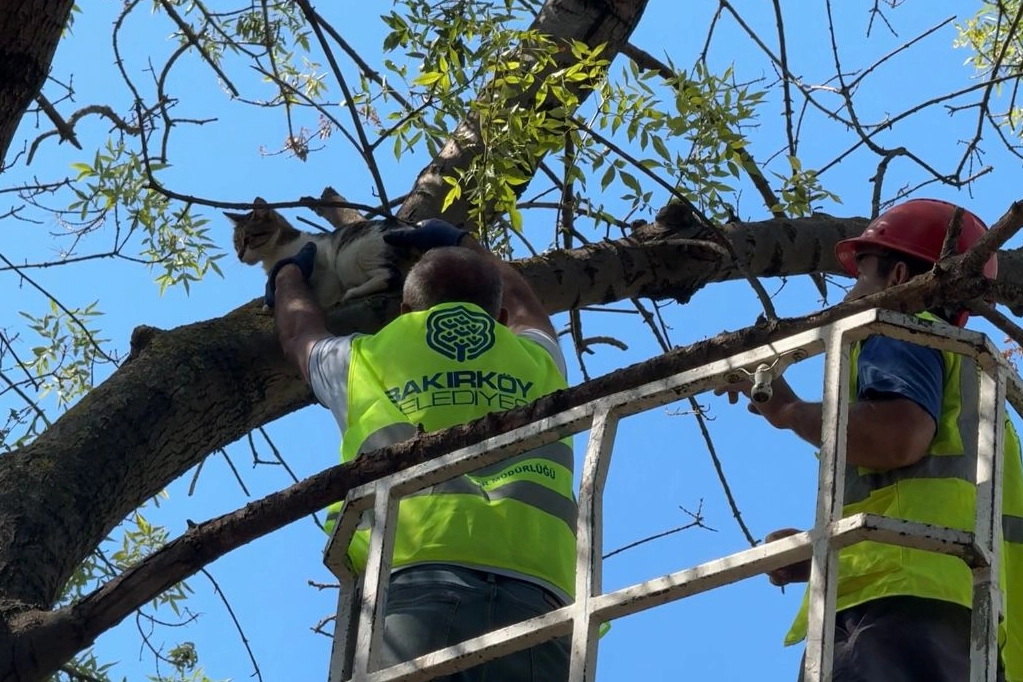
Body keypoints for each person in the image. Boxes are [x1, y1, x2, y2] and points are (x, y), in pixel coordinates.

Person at [717, 198, 1023, 681]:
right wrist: (823, 548)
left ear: (899, 278)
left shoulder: (899, 327)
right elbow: (928, 502)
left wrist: (791, 413)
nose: (846, 299)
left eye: (859, 277)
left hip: (892, 614)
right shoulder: (985, 392)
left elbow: (897, 437)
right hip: (974, 637)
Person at [265, 218, 574, 680]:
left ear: (406, 310)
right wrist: (462, 240)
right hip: (544, 600)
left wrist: (287, 273)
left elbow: (299, 333)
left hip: (414, 580)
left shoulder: (363, 360)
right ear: (502, 318)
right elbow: (527, 303)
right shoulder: (538, 360)